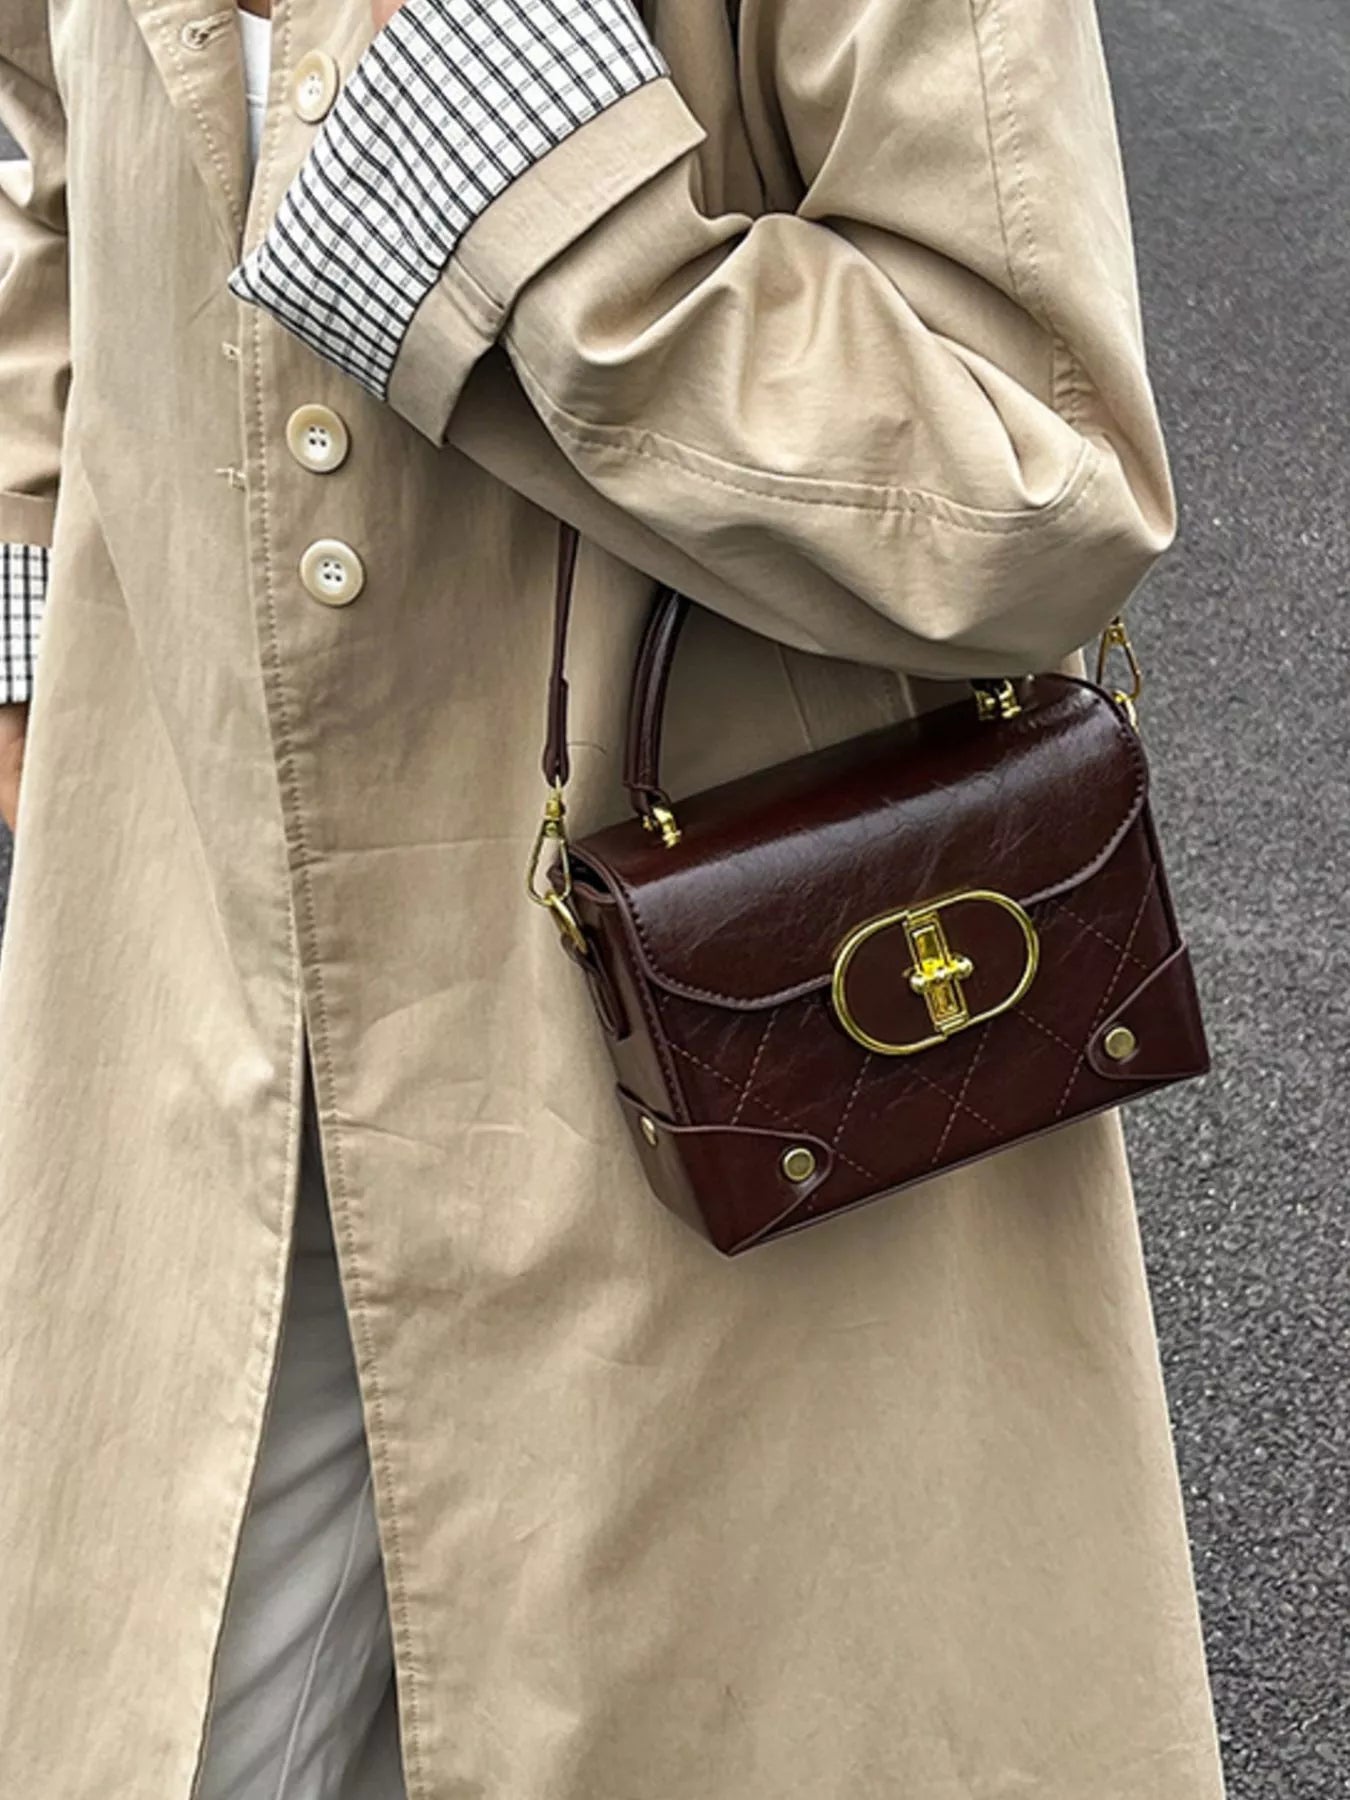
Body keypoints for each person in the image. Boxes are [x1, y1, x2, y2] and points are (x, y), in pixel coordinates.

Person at [0, 0, 1229, 1796]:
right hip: (185, 978)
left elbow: (1034, 480)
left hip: (694, 1074)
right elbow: (46, 129)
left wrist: (501, 182)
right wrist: (31, 593)